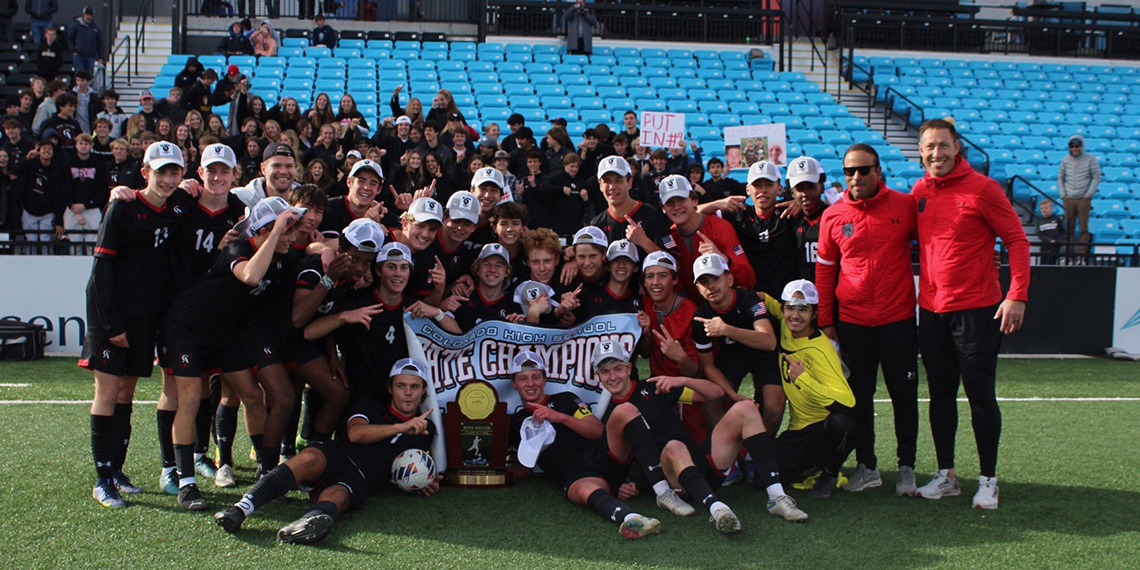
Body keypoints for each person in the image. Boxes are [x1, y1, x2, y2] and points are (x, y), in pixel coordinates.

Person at [911, 119, 1030, 510]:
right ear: (920, 150)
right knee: (940, 395)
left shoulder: (984, 188)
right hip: (931, 311)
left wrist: (1017, 295)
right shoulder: (918, 190)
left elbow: (1015, 239)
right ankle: (947, 476)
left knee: (980, 394)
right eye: (929, 147)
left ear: (957, 147)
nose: (936, 154)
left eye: (942, 146)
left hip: (977, 311)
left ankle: (988, 479)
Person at [163, 196, 303, 510]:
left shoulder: (280, 253)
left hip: (223, 333)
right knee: (189, 399)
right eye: (287, 230)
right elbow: (251, 276)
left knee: (252, 396)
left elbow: (310, 252)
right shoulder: (237, 249)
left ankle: (266, 471)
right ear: (266, 230)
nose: (293, 237)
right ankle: (186, 482)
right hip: (188, 328)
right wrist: (276, 230)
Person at [215, 358, 441, 544]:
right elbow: (356, 433)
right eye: (401, 386)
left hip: (362, 478)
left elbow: (415, 465)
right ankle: (241, 509)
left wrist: (423, 481)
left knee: (339, 496)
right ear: (391, 388)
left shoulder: (426, 431)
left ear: (423, 392)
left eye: (415, 387)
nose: (408, 393)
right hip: (339, 454)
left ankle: (304, 525)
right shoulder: (370, 405)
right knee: (310, 457)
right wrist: (400, 427)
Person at [593, 341, 809, 533]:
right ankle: (717, 509)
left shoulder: (654, 387)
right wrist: (622, 483)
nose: (613, 377)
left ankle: (777, 497)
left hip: (699, 461)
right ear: (598, 376)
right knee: (674, 446)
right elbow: (613, 459)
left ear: (629, 368)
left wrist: (683, 380)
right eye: (605, 371)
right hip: (674, 480)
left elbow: (715, 394)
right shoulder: (608, 416)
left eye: (618, 369)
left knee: (745, 408)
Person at [79, 142, 185, 508]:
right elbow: (101, 272)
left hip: (144, 317)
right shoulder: (122, 207)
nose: (168, 179)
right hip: (110, 315)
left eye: (175, 172)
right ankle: (102, 478)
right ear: (145, 173)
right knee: (107, 394)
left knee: (126, 393)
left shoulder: (176, 208)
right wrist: (111, 324)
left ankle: (117, 471)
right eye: (162, 172)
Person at [815, 143, 919, 496]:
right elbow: (826, 272)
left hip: (898, 318)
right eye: (849, 171)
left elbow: (938, 242)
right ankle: (868, 466)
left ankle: (907, 467)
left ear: (878, 171)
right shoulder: (834, 215)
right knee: (859, 397)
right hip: (854, 323)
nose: (856, 177)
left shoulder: (905, 207)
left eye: (863, 170)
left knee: (903, 394)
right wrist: (827, 320)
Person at [506, 351, 663, 540]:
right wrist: (487, 477)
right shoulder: (515, 422)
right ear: (514, 384)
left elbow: (598, 431)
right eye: (523, 379)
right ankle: (631, 518)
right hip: (577, 475)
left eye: (536, 377)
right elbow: (525, 467)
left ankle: (662, 489)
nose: (530, 384)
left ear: (545, 380)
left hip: (601, 455)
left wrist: (561, 417)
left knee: (625, 410)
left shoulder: (565, 399)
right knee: (584, 490)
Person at [763, 279, 857, 500]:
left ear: (814, 313)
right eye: (790, 308)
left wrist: (803, 379)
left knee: (843, 423)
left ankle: (829, 473)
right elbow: (774, 307)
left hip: (821, 429)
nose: (795, 315)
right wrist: (760, 297)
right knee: (762, 479)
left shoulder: (822, 350)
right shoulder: (787, 325)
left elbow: (848, 403)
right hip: (798, 430)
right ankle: (812, 466)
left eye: (803, 309)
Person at [700, 161, 800, 299]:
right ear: (748, 189)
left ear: (779, 188)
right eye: (757, 185)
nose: (763, 190)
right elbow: (693, 214)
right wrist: (717, 203)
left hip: (786, 299)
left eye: (769, 185)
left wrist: (801, 204)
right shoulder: (739, 213)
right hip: (750, 299)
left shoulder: (790, 213)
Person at [786, 157, 829, 281]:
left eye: (810, 187)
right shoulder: (788, 218)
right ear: (792, 193)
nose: (805, 193)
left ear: (822, 187)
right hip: (799, 293)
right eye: (800, 188)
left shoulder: (833, 217)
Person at [1057, 133, 1100, 258]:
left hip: (1083, 198)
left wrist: (1088, 194)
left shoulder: (1090, 159)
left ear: (1081, 146)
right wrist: (1063, 194)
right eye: (1072, 146)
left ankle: (1082, 255)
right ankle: (1069, 255)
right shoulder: (1065, 160)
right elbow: (1060, 177)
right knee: (1069, 227)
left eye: (1077, 146)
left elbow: (1096, 176)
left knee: (1083, 228)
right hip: (1069, 197)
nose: (1075, 149)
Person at [233, 141, 299, 207]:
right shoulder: (240, 197)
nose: (283, 171)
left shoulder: (306, 200)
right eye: (276, 165)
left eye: (289, 166)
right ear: (263, 169)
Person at [68, 6, 103, 75]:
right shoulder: (76, 25)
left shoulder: (96, 28)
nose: (88, 17)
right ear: (83, 15)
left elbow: (99, 43)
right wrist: (73, 51)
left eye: (90, 15)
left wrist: (101, 56)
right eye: (87, 15)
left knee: (89, 75)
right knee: (79, 75)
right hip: (79, 55)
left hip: (91, 56)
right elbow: (70, 38)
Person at [1036, 200, 1063, 265]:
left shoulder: (1057, 219)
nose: (1044, 210)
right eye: (1042, 208)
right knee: (1043, 265)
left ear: (1051, 209)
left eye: (1046, 208)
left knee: (1052, 265)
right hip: (1044, 247)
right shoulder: (1039, 221)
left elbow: (1062, 231)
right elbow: (1040, 234)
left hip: (1055, 247)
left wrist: (1059, 239)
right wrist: (1049, 240)